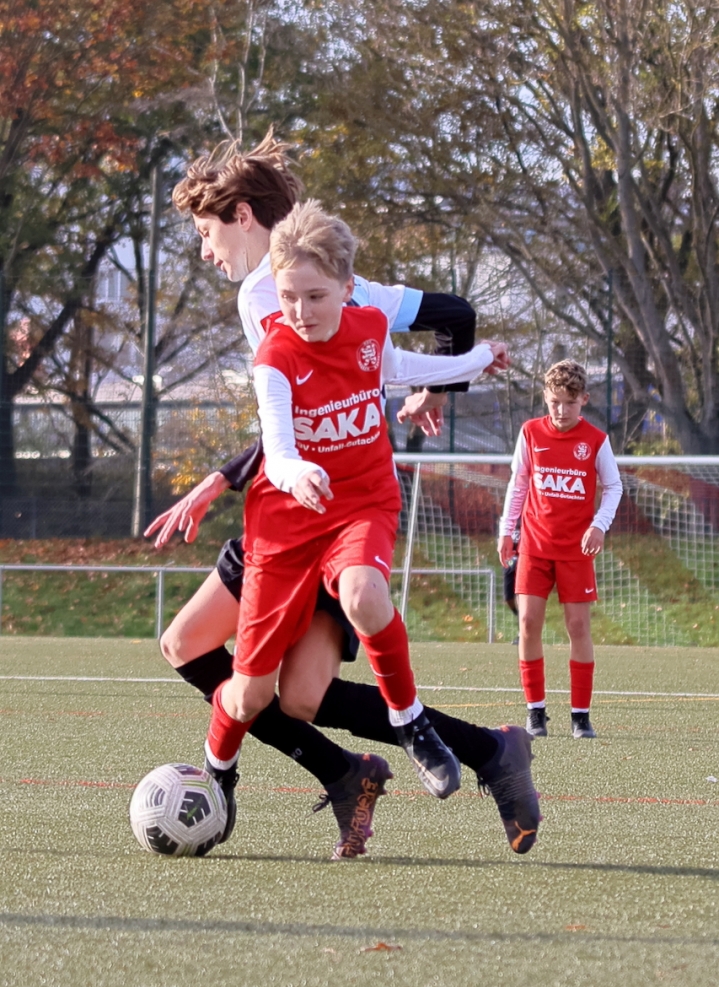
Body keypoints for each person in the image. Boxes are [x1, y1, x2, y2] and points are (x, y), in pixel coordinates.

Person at [147, 132, 539, 857]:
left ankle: (431, 757)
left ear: (241, 216)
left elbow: (325, 393)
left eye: (205, 233)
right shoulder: (338, 288)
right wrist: (436, 386)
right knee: (276, 686)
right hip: (295, 491)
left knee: (227, 664)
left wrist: (428, 384)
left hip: (323, 504)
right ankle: (416, 760)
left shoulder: (265, 294)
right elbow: (454, 316)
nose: (205, 251)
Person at [497, 360, 623, 739]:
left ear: (584, 399)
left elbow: (614, 487)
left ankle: (580, 716)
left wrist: (599, 526)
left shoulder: (596, 441)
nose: (561, 410)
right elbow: (518, 483)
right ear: (545, 398)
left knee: (578, 626)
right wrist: (507, 531)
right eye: (554, 402)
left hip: (576, 550)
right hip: (534, 545)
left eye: (569, 402)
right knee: (527, 623)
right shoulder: (530, 433)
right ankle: (535, 712)